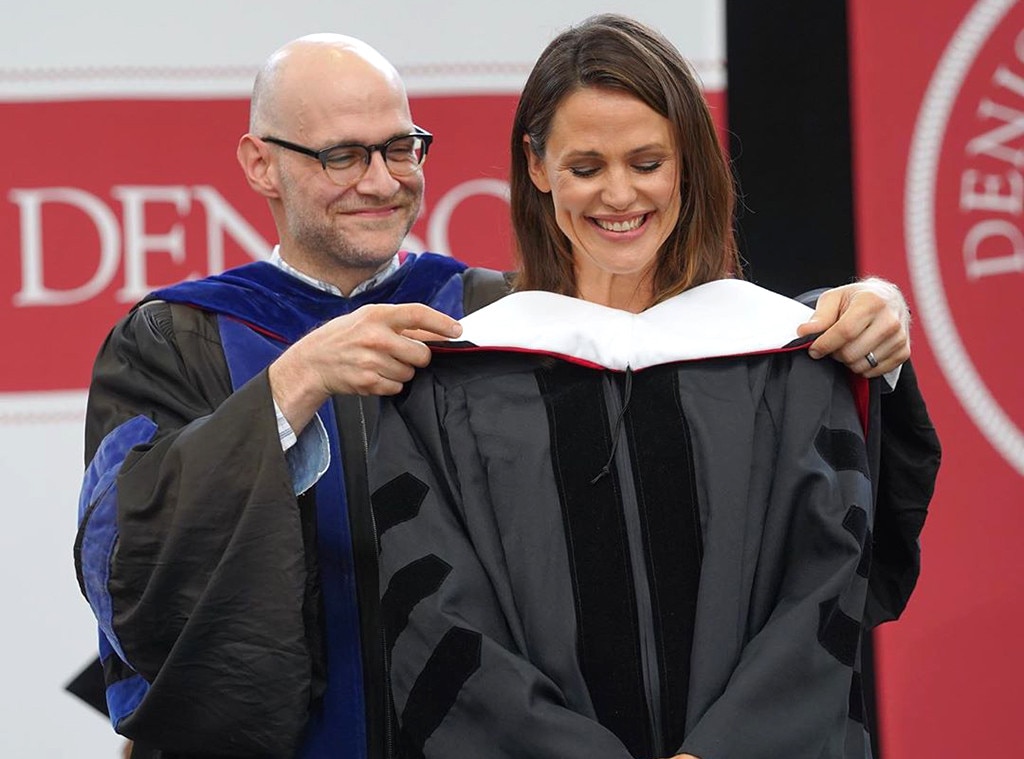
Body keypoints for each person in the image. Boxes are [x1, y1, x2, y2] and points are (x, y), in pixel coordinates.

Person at [73, 30, 928, 759]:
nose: (379, 179)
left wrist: (859, 310)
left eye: (400, 147)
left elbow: (697, 380)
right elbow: (126, 560)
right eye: (341, 154)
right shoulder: (175, 341)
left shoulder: (498, 325)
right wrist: (294, 383)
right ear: (261, 163)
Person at [371, 14, 939, 759]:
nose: (618, 194)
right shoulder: (452, 383)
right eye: (585, 166)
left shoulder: (782, 358)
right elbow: (434, 621)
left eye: (647, 162)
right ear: (537, 167)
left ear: (687, 166)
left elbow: (831, 586)